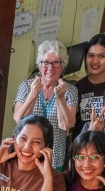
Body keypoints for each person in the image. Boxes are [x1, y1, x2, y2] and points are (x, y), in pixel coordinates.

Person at [13, 40, 78, 171]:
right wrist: (33, 94)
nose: (50, 68)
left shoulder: (70, 90)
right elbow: (18, 119)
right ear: (39, 64)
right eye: (46, 63)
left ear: (63, 66)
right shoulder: (26, 86)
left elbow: (66, 125)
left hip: (55, 155)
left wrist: (60, 99)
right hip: (27, 151)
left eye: (56, 63)